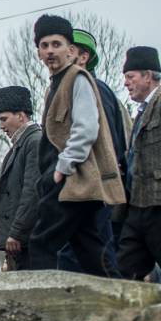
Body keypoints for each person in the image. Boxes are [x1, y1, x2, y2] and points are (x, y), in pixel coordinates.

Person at [26, 15, 125, 274]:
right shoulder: (56, 84)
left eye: (56, 44)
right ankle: (119, 301)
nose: (50, 51)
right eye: (44, 45)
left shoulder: (77, 79)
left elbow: (87, 128)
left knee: (42, 244)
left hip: (72, 181)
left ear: (70, 50)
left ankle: (41, 308)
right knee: (90, 249)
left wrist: (62, 167)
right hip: (71, 182)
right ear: (37, 52)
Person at [70, 28, 128, 276]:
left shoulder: (93, 89)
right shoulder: (75, 88)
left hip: (95, 187)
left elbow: (108, 143)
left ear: (83, 57)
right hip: (84, 185)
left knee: (99, 253)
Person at [117, 46, 161, 280]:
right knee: (125, 271)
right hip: (137, 206)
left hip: (158, 203)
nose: (126, 83)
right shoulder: (141, 113)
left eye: (130, 76)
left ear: (148, 75)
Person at [0, 87, 42, 271]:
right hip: (20, 242)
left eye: (4, 119)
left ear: (21, 116)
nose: (1, 126)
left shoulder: (34, 143)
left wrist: (16, 232)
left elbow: (31, 191)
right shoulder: (20, 145)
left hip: (27, 240)